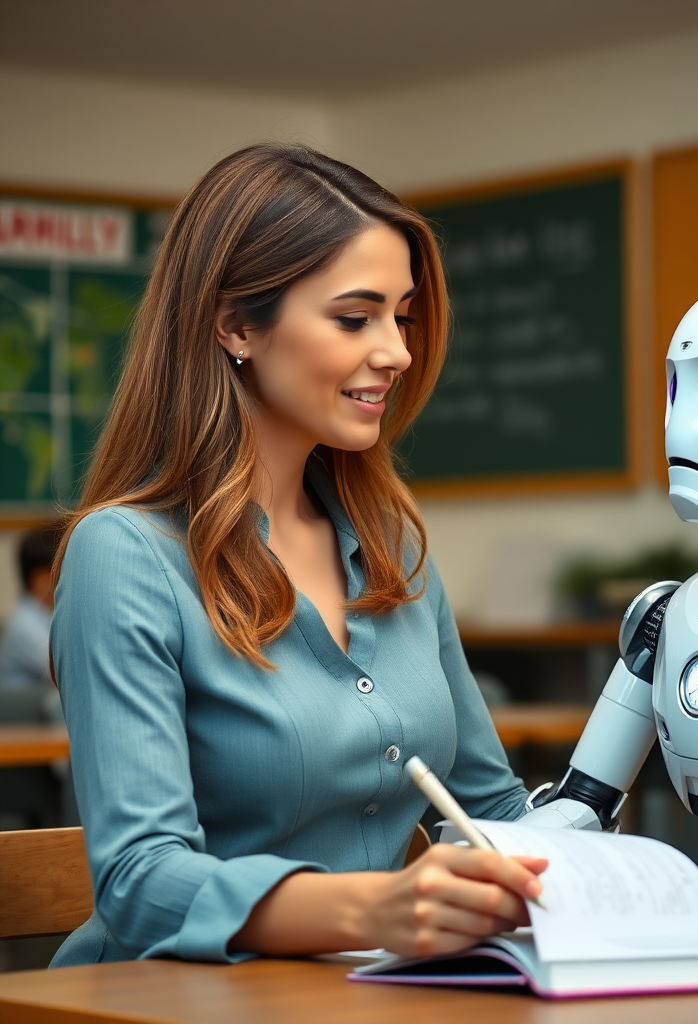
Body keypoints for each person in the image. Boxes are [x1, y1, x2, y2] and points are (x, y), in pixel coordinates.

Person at [49, 145, 546, 966]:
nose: (396, 351)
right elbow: (141, 883)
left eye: (403, 316)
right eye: (355, 317)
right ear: (236, 325)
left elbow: (491, 809)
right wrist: (377, 910)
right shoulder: (126, 556)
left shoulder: (393, 549)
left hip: (366, 995)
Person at [0, 524, 58, 690]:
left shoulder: (46, 615)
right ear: (41, 580)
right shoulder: (24, 624)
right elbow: (68, 672)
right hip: (18, 715)